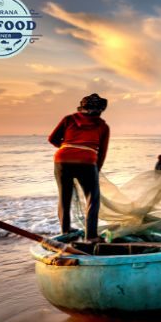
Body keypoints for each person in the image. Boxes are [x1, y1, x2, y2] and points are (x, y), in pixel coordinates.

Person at [48, 93, 110, 242]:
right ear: (101, 109)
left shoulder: (69, 119)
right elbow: (102, 152)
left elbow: (52, 139)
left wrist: (67, 148)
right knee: (92, 198)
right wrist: (97, 168)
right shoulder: (102, 126)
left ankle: (66, 230)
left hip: (62, 160)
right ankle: (91, 236)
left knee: (64, 197)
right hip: (87, 161)